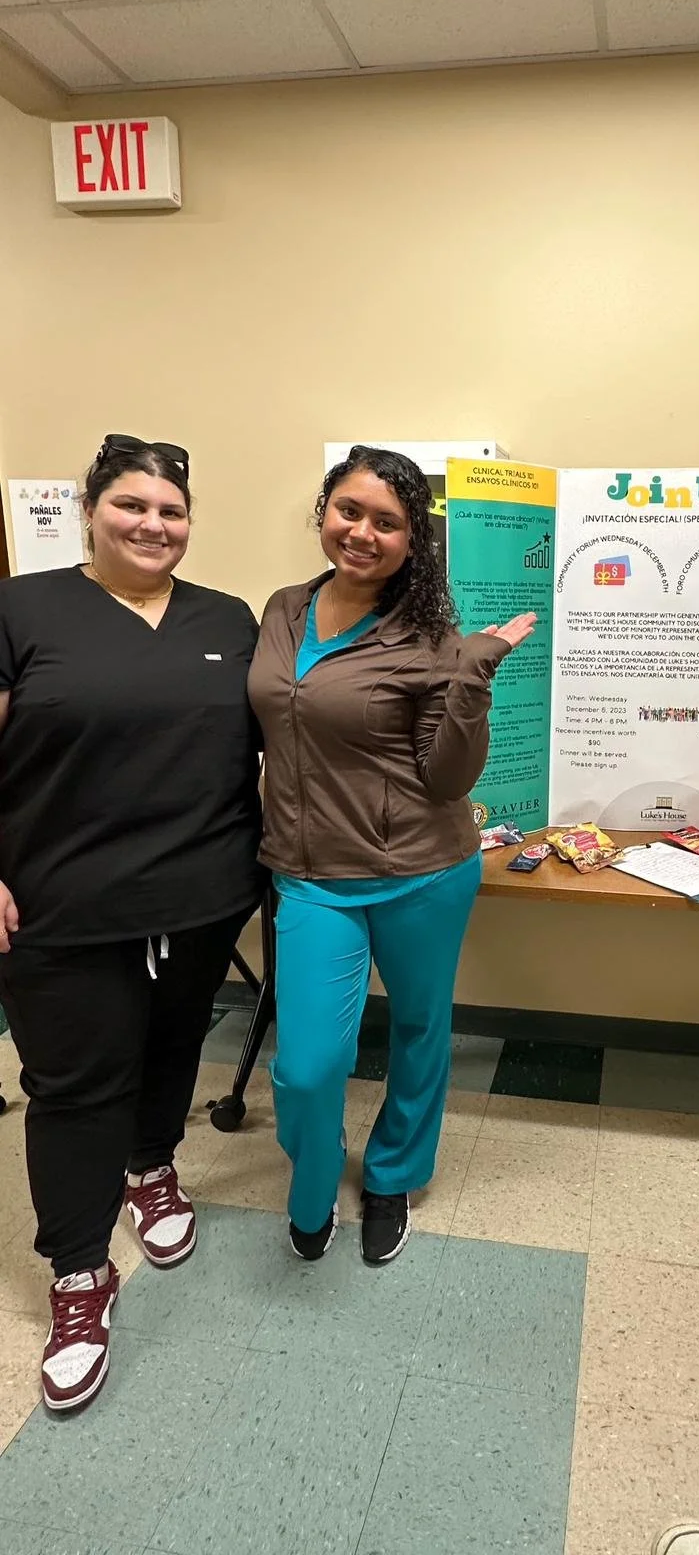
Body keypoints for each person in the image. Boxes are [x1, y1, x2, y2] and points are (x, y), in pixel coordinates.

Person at [0, 434, 264, 1413]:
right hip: (62, 905)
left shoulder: (227, 620)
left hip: (200, 897)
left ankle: (151, 1169)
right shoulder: (23, 609)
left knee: (169, 1051)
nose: (154, 524)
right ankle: (79, 1275)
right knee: (72, 1086)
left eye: (172, 511)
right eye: (133, 506)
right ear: (91, 510)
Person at [248, 446, 534, 1266]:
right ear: (324, 512)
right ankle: (311, 1189)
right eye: (349, 511)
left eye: (388, 522)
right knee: (308, 1065)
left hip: (420, 870)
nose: (362, 532)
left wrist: (473, 677)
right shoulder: (282, 608)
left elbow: (447, 777)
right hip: (308, 877)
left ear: (415, 540)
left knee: (418, 1026)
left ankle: (392, 1176)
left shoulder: (427, 635)